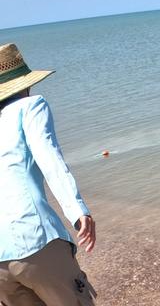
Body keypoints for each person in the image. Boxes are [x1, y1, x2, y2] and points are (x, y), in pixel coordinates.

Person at [0, 43, 97, 306]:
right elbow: (49, 158)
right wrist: (78, 212)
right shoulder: (30, 106)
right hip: (34, 239)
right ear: (25, 84)